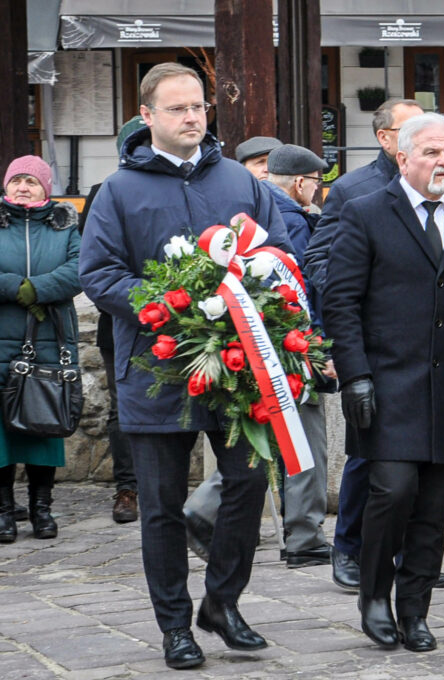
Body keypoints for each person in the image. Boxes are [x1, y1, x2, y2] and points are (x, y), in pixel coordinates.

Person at [78, 62, 289, 669]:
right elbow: (98, 275)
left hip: (236, 365)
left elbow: (276, 251)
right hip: (157, 368)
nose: (192, 117)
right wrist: (166, 305)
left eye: (198, 106)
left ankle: (222, 601)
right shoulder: (118, 190)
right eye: (177, 109)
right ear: (147, 117)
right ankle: (175, 626)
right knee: (163, 507)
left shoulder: (240, 182)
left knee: (248, 484)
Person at [321, 113, 444, 652]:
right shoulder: (365, 213)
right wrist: (354, 374)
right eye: (431, 153)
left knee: (433, 504)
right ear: (403, 159)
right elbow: (341, 301)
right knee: (392, 491)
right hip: (385, 384)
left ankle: (416, 608)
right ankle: (375, 596)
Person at [302, 98, 444, 593]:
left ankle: (413, 554)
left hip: (428, 349)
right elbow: (319, 261)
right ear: (388, 139)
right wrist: (371, 289)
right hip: (375, 349)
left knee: (424, 463)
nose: (434, 149)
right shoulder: (352, 190)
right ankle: (350, 548)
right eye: (415, 132)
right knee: (371, 460)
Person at [183, 143, 335, 568]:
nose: (318, 191)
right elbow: (305, 290)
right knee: (300, 437)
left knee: (275, 430)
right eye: (317, 183)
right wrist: (318, 345)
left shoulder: (258, 217)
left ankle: (210, 507)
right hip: (292, 346)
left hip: (262, 341)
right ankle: (302, 534)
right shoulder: (296, 224)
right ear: (301, 183)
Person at [0, 155, 80, 544]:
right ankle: (3, 511)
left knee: (43, 423)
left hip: (51, 338)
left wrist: (38, 290)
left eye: (32, 181)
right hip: (2, 335)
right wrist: (17, 288)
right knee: (0, 430)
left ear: (46, 188)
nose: (23, 188)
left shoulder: (64, 226)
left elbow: (81, 268)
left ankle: (41, 509)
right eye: (17, 181)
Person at [80, 116, 149, 524]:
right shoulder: (104, 192)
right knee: (123, 408)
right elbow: (97, 263)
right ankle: (127, 488)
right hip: (120, 321)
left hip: (180, 318)